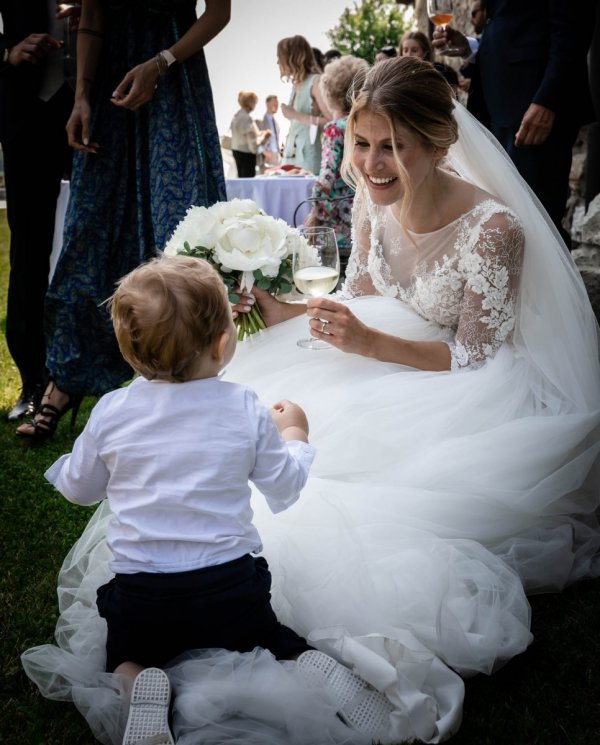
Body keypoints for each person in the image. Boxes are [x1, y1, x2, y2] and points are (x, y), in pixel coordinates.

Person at [21, 58, 600, 744]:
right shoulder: (368, 199)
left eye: (393, 147)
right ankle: (248, 606)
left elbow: (478, 353)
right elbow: (358, 296)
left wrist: (370, 345)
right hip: (372, 347)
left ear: (438, 144)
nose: (374, 164)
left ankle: (177, 627)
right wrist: (283, 308)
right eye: (361, 143)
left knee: (353, 475)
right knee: (268, 414)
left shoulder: (494, 228)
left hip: (460, 383)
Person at [24, 255, 394, 744]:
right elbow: (283, 487)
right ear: (222, 345)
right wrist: (295, 433)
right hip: (230, 589)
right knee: (273, 639)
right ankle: (312, 666)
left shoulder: (113, 411)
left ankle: (141, 685)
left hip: (142, 598)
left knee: (123, 657)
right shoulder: (243, 406)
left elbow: (80, 489)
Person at [16, 0, 230, 441]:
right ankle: (66, 379)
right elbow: (93, 14)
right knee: (89, 228)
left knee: (180, 228)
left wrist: (162, 62)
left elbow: (219, 12)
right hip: (110, 80)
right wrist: (80, 97)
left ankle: (186, 384)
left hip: (175, 75)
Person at [432, 0, 597, 247]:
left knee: (537, 222)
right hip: (495, 106)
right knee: (501, 219)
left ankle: (547, 286)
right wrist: (470, 48)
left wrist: (548, 100)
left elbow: (573, 29)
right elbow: (510, 23)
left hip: (532, 108)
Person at [0, 1, 79, 422]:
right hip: (27, 115)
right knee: (30, 250)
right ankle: (34, 378)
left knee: (101, 239)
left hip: (97, 106)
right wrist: (7, 52)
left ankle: (90, 371)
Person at [304, 55, 369, 269]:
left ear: (329, 92)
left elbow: (326, 179)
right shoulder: (365, 126)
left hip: (338, 228)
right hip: (365, 215)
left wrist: (316, 215)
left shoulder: (335, 129)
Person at [277, 35, 332, 174]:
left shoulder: (315, 82)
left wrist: (296, 115)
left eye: (280, 57)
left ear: (292, 58)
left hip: (309, 155)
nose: (278, 62)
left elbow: (331, 121)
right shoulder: (295, 85)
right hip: (291, 154)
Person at [230, 90, 270, 177]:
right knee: (248, 185)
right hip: (247, 158)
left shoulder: (236, 117)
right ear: (251, 103)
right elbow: (253, 146)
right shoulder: (247, 119)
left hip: (237, 153)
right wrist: (264, 136)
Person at [258, 94, 281, 167]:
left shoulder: (276, 124)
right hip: (266, 158)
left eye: (277, 104)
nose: (276, 106)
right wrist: (264, 152)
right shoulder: (260, 122)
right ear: (267, 104)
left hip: (276, 158)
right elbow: (254, 142)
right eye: (274, 104)